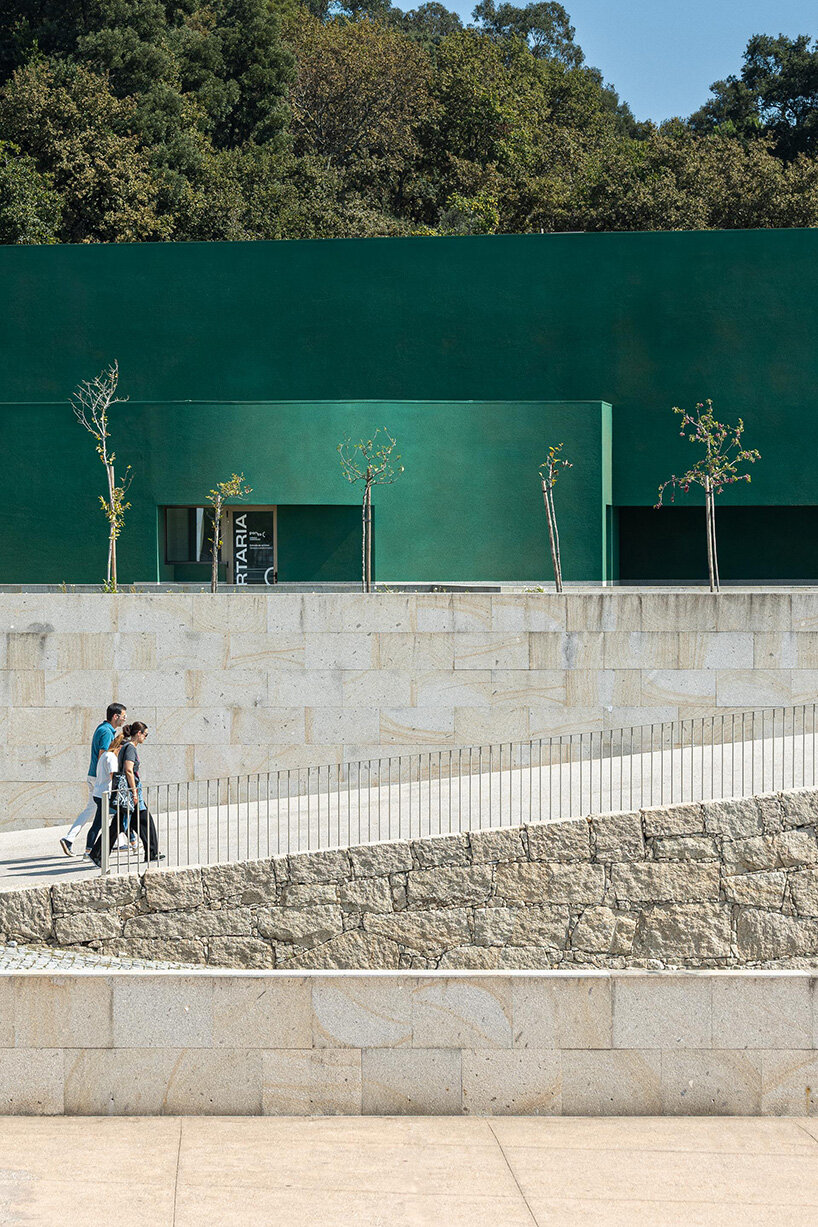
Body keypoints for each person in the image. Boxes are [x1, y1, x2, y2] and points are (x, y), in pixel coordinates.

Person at [89, 722, 164, 867]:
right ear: (139, 733)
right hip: (130, 793)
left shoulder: (126, 747)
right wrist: (134, 793)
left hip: (127, 793)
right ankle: (97, 854)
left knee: (134, 823)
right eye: (145, 734)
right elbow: (128, 770)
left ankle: (151, 852)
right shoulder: (130, 748)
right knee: (129, 823)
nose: (146, 737)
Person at [60, 702, 127, 857]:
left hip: (95, 776)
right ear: (115, 716)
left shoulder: (102, 728)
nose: (125, 719)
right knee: (113, 808)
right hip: (99, 778)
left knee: (93, 809)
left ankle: (69, 839)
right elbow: (104, 756)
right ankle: (120, 841)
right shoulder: (106, 732)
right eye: (123, 716)